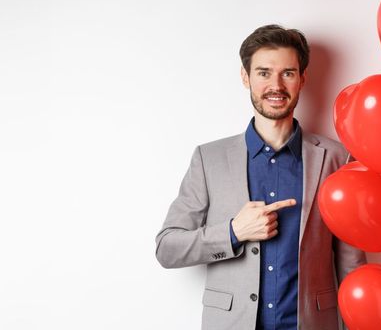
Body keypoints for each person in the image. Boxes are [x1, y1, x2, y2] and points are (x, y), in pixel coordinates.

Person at [154, 24, 366, 330]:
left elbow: (351, 265)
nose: (276, 85)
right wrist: (232, 232)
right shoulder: (208, 159)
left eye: (288, 73)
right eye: (264, 73)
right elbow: (167, 248)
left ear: (302, 79)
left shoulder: (336, 158)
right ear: (246, 77)